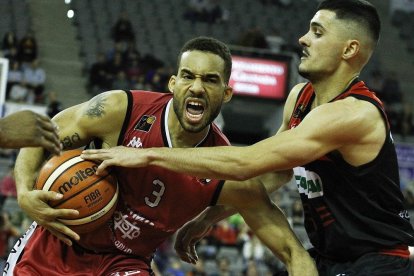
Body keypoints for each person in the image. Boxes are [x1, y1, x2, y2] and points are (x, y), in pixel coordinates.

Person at [82, 1, 414, 275]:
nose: (302, 39)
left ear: (349, 48)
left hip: (380, 260)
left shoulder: (353, 113)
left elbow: (246, 162)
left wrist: (147, 154)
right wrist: (211, 216)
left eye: (317, 32)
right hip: (333, 258)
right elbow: (273, 172)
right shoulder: (300, 97)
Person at [8, 37, 316, 276]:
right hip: (55, 247)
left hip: (124, 262)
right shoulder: (121, 111)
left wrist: (205, 220)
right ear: (173, 83)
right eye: (187, 76)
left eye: (210, 80)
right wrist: (24, 192)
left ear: (226, 93)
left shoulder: (223, 169)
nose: (197, 87)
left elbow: (293, 251)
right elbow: (41, 133)